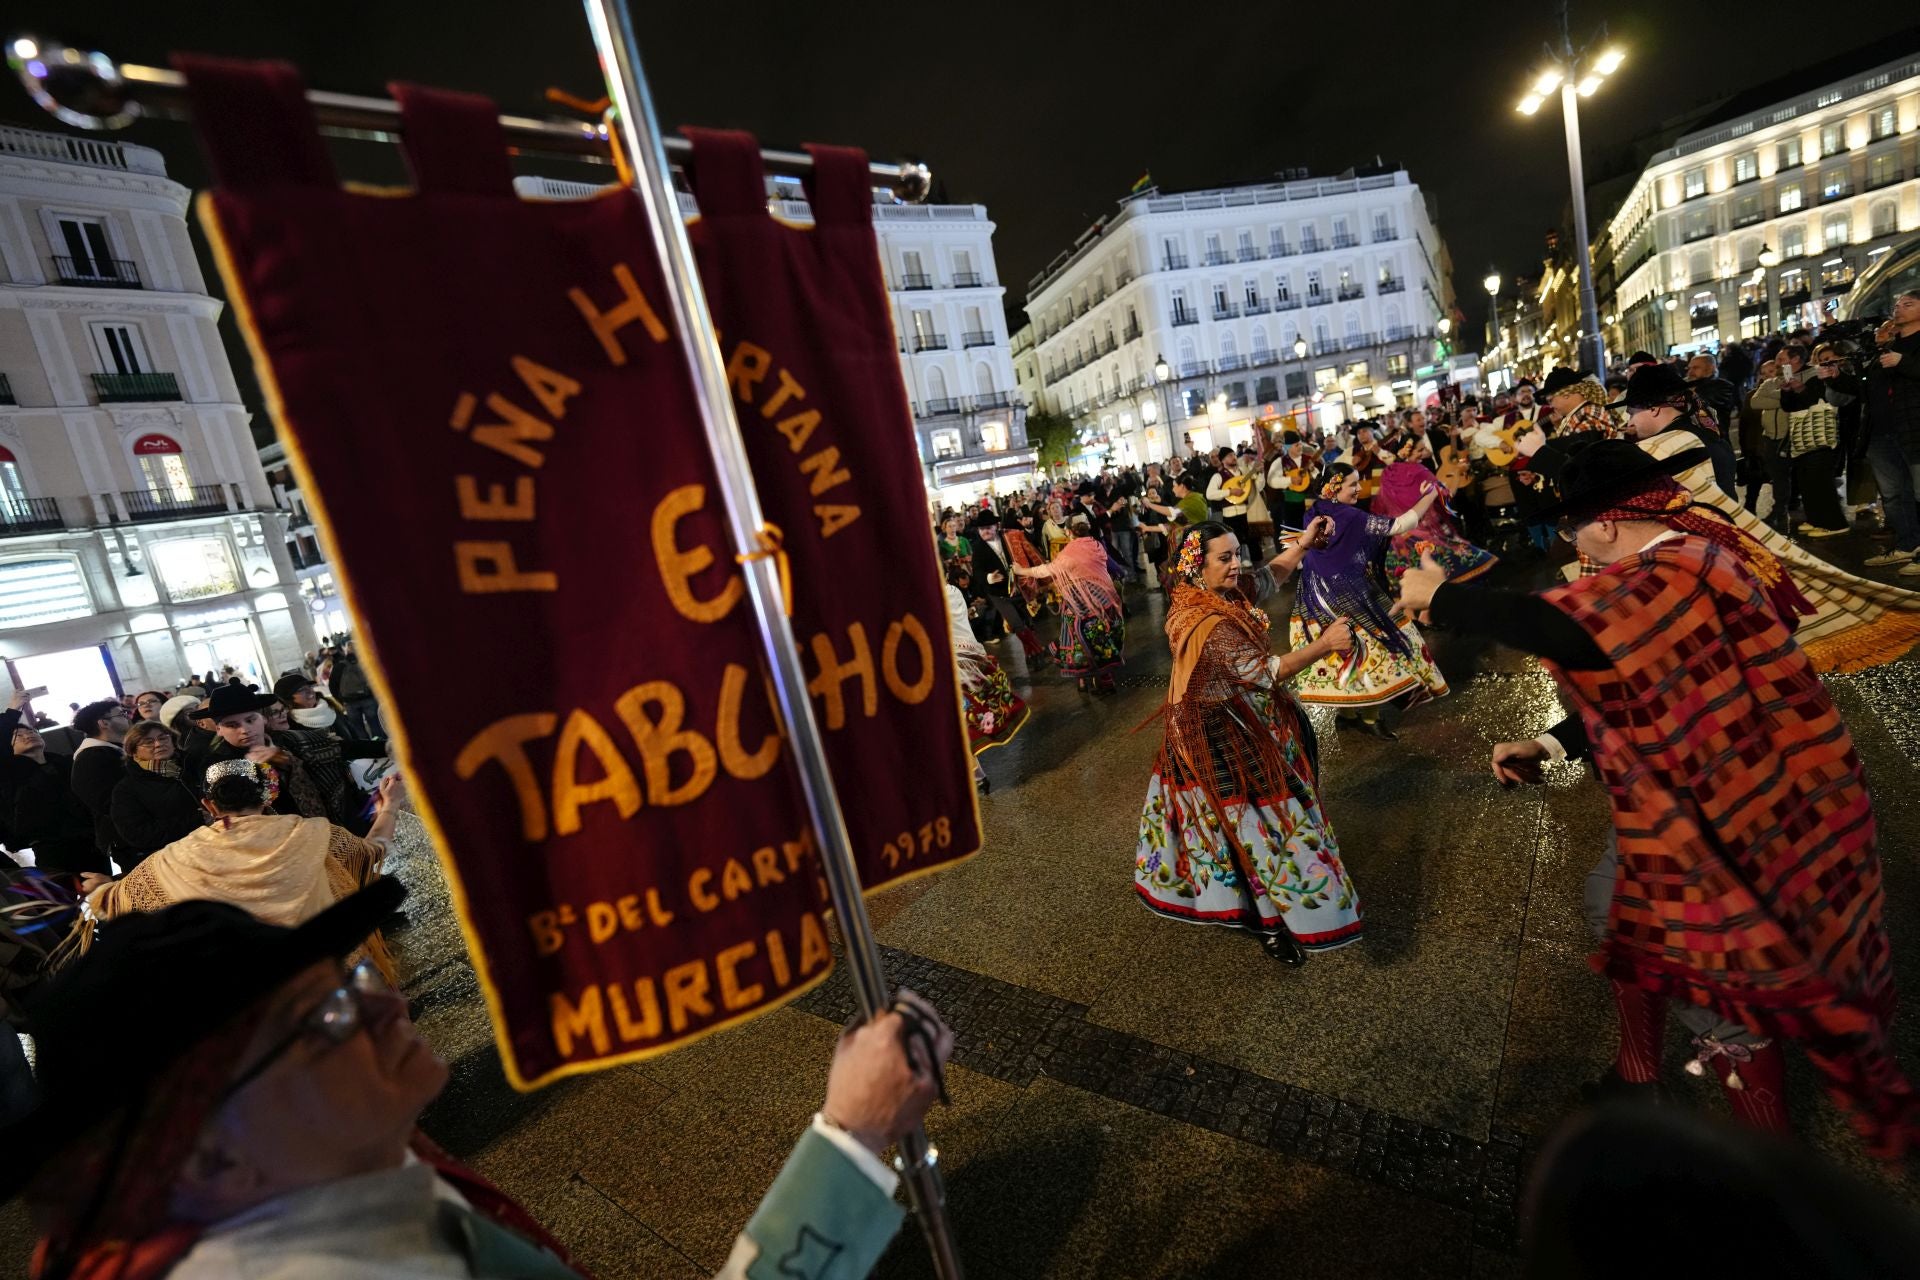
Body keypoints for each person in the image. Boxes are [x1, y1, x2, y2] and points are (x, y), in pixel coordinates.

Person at [6, 880, 953, 1280]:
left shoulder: (341, 1191)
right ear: (204, 1148)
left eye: (357, 979)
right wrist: (851, 1137)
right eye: (324, 1018)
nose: (388, 1008)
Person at [1398, 441, 1917, 1157]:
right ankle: (1641, 1068)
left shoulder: (1672, 573)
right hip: (1730, 796)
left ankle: (1775, 1171)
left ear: (1606, 525)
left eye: (1573, 531)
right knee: (1618, 906)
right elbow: (1651, 677)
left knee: (1724, 974)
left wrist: (1443, 596)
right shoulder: (1702, 556)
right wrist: (1551, 745)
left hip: (1733, 816)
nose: (1572, 549)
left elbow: (1569, 629)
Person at [1134, 519, 1360, 966]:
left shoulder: (1218, 595)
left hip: (1248, 721)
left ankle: (1275, 912)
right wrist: (1325, 644)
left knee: (1264, 828)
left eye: (1237, 553)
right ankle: (1269, 925)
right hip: (1216, 740)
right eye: (1225, 557)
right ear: (1197, 566)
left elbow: (1268, 576)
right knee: (1252, 831)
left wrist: (1304, 545)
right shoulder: (1202, 620)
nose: (1236, 563)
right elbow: (1264, 673)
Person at [1614, 362, 1920, 672]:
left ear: (1653, 409)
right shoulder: (1699, 430)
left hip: (1711, 557)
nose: (1629, 420)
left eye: (1632, 412)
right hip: (1722, 552)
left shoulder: (1672, 446)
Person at [84, 758, 407, 980]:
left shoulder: (174, 858)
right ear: (267, 798)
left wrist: (101, 885)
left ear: (209, 806)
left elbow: (117, 900)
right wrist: (389, 805)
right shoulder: (318, 834)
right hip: (330, 971)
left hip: (248, 991)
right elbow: (372, 851)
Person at [1288, 464, 1449, 737]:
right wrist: (1431, 494)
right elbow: (1399, 525)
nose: (1359, 489)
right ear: (1335, 487)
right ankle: (1370, 719)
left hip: (1316, 594)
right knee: (1377, 646)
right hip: (1351, 593)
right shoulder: (1350, 516)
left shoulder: (1314, 511)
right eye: (1353, 484)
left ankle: (1348, 714)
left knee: (1343, 652)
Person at [1011, 515, 1126, 694]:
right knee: (1104, 637)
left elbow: (1045, 570)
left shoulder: (1067, 555)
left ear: (1069, 531)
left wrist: (1020, 570)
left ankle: (1085, 679)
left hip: (1078, 604)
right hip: (1103, 600)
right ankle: (1105, 677)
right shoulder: (1096, 545)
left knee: (1077, 639)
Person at [186, 685, 332, 821]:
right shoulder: (215, 764)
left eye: (250, 720)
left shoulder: (290, 740)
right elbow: (228, 815)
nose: (244, 730)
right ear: (218, 730)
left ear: (262, 718)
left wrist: (287, 761)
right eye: (232, 725)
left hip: (319, 824)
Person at [942, 579, 1028, 793]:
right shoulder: (952, 591)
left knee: (954, 726)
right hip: (972, 660)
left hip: (953, 666)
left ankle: (977, 776)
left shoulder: (931, 600)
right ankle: (977, 776)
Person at [1, 695, 100, 874]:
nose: (28, 735)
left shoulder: (65, 763)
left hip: (90, 837)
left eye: (31, 731)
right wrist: (14, 710)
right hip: (51, 844)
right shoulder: (10, 772)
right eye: (18, 736)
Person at [1372, 447, 1497, 589]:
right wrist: (1454, 475)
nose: (1423, 452)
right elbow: (1447, 495)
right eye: (1419, 450)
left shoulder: (1394, 493)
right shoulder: (1418, 478)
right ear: (1408, 453)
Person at [1862, 294, 1920, 576]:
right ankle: (1909, 544)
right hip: (1884, 430)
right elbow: (1869, 389)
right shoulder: (1889, 347)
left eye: (1908, 304)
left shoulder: (1907, 350)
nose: (1899, 308)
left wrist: (1902, 361)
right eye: (1897, 304)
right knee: (1895, 494)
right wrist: (1837, 377)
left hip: (1914, 429)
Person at [108, 720, 203, 868]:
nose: (158, 744)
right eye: (148, 742)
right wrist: (198, 819)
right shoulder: (126, 789)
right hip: (175, 860)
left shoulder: (196, 764)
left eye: (163, 738)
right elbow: (138, 834)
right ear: (133, 751)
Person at [967, 511, 1049, 665]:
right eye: (981, 528)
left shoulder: (1009, 537)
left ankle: (1031, 655)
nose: (985, 531)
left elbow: (1029, 545)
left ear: (996, 526)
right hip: (998, 593)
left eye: (988, 527)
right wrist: (989, 577)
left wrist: (1029, 530)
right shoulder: (978, 547)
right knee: (1017, 624)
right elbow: (977, 571)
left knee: (1027, 621)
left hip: (1019, 588)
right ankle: (1039, 650)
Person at [66, 699, 132, 870]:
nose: (127, 716)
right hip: (128, 838)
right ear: (104, 723)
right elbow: (107, 802)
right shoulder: (92, 758)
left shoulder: (112, 750)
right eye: (122, 714)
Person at [326, 640, 381, 739]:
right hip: (368, 699)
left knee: (358, 728)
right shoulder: (367, 662)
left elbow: (332, 685)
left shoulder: (339, 665)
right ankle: (380, 746)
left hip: (349, 702)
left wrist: (341, 699)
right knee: (375, 725)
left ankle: (367, 749)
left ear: (346, 650)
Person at [1685, 353, 1738, 438]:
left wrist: (1690, 392)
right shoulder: (1689, 386)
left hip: (1715, 441)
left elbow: (1709, 405)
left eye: (1695, 368)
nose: (1690, 372)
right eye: (1689, 368)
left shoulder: (1724, 386)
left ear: (1711, 368)